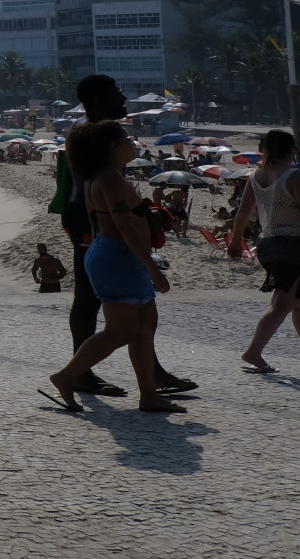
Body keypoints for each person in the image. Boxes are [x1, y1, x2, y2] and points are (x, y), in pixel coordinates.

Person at [59, 75, 195, 396]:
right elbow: (89, 188)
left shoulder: (98, 131)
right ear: (97, 99)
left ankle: (151, 374)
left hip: (96, 219)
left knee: (135, 306)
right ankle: (79, 374)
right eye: (116, 93)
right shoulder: (94, 134)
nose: (123, 98)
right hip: (92, 223)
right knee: (90, 300)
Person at [45, 121, 183, 413]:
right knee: (120, 331)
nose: (132, 143)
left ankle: (149, 394)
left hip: (116, 255)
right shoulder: (110, 179)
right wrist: (153, 268)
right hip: (119, 257)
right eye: (126, 138)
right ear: (112, 146)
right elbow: (124, 226)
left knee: (145, 326)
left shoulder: (104, 176)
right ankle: (66, 376)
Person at [227, 128, 300, 373]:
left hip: (268, 245)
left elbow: (244, 212)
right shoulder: (294, 176)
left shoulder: (255, 176)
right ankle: (253, 352)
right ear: (291, 150)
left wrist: (236, 240)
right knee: (282, 303)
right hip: (293, 245)